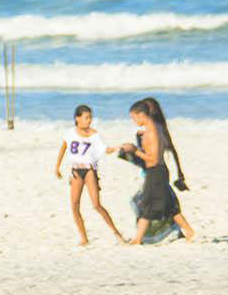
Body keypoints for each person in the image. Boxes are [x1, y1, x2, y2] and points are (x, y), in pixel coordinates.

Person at [118, 98, 197, 244]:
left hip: (156, 172)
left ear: (141, 115)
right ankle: (190, 232)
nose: (133, 121)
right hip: (158, 171)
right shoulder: (156, 128)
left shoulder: (152, 132)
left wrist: (134, 150)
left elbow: (153, 159)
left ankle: (138, 239)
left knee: (146, 204)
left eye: (133, 117)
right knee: (169, 206)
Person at [54, 105, 125, 246]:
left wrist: (117, 148)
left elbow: (105, 149)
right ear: (77, 118)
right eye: (86, 117)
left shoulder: (94, 135)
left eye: (90, 117)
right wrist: (57, 166)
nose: (89, 120)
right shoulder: (70, 133)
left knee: (96, 204)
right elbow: (63, 148)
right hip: (75, 170)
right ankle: (84, 238)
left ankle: (117, 233)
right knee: (74, 205)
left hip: (89, 170)